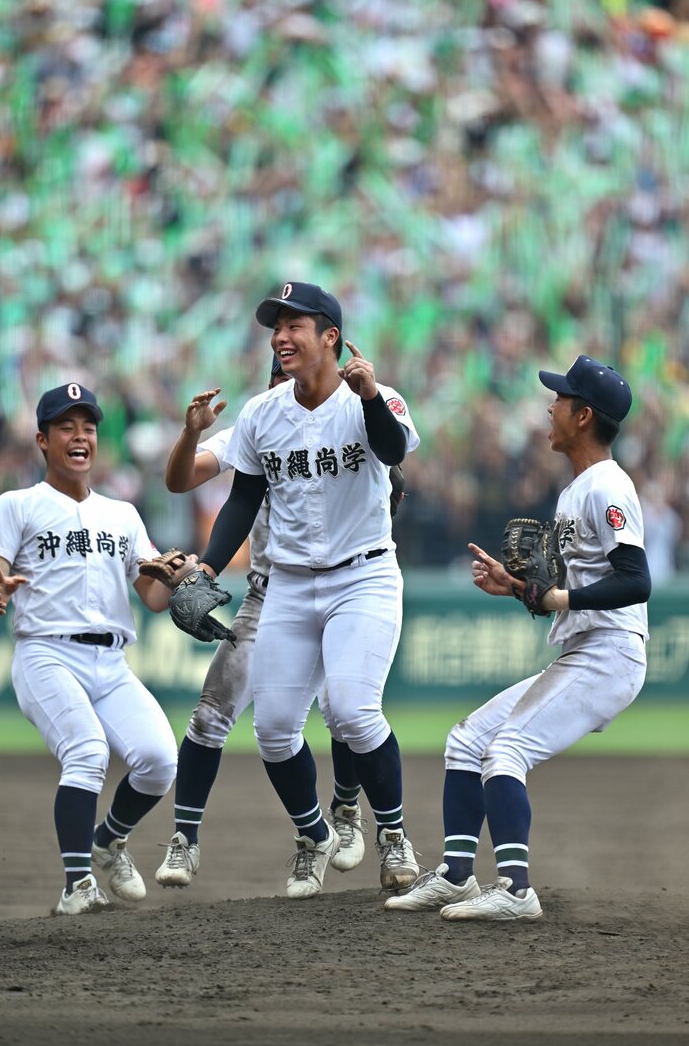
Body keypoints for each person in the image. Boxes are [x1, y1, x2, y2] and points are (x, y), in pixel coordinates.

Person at [385, 355, 651, 921]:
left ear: (582, 416)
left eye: (558, 400)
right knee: (467, 740)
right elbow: (562, 591)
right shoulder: (578, 489)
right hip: (586, 648)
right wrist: (516, 588)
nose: (548, 407)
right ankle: (457, 875)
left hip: (611, 655)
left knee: (506, 750)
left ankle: (515, 890)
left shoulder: (607, 487)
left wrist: (555, 598)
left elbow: (637, 580)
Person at [190, 281, 421, 899]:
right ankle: (312, 836)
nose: (281, 337)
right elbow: (243, 500)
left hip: (363, 574)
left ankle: (394, 835)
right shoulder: (263, 414)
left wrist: (370, 394)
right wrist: (211, 568)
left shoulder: (374, 399)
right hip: (288, 584)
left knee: (350, 707)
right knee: (274, 730)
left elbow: (395, 448)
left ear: (331, 337)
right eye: (276, 326)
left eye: (296, 325)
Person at [156, 355, 380, 888]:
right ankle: (188, 839)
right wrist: (189, 436)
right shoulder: (256, 425)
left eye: (296, 376)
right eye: (279, 377)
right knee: (212, 714)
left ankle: (346, 811)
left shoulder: (347, 420)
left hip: (340, 586)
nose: (288, 386)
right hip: (268, 597)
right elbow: (181, 478)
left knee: (345, 710)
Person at [0, 383, 180, 916]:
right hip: (46, 654)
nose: (80, 435)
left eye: (88, 427)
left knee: (158, 760)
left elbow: (151, 595)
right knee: (86, 752)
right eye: (66, 426)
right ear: (43, 440)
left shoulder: (123, 515)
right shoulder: (18, 504)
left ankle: (108, 842)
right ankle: (76, 885)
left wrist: (177, 576)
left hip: (110, 661)